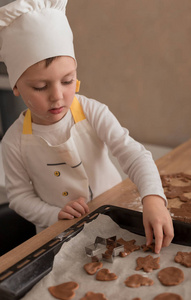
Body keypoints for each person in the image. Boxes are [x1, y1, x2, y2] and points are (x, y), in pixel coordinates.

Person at [0, 0, 173, 253]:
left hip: (118, 220)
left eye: (68, 80)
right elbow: (19, 198)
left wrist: (153, 199)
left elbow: (133, 154)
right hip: (59, 237)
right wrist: (54, 214)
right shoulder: (13, 141)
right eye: (40, 87)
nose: (57, 96)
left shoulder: (93, 112)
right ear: (16, 86)